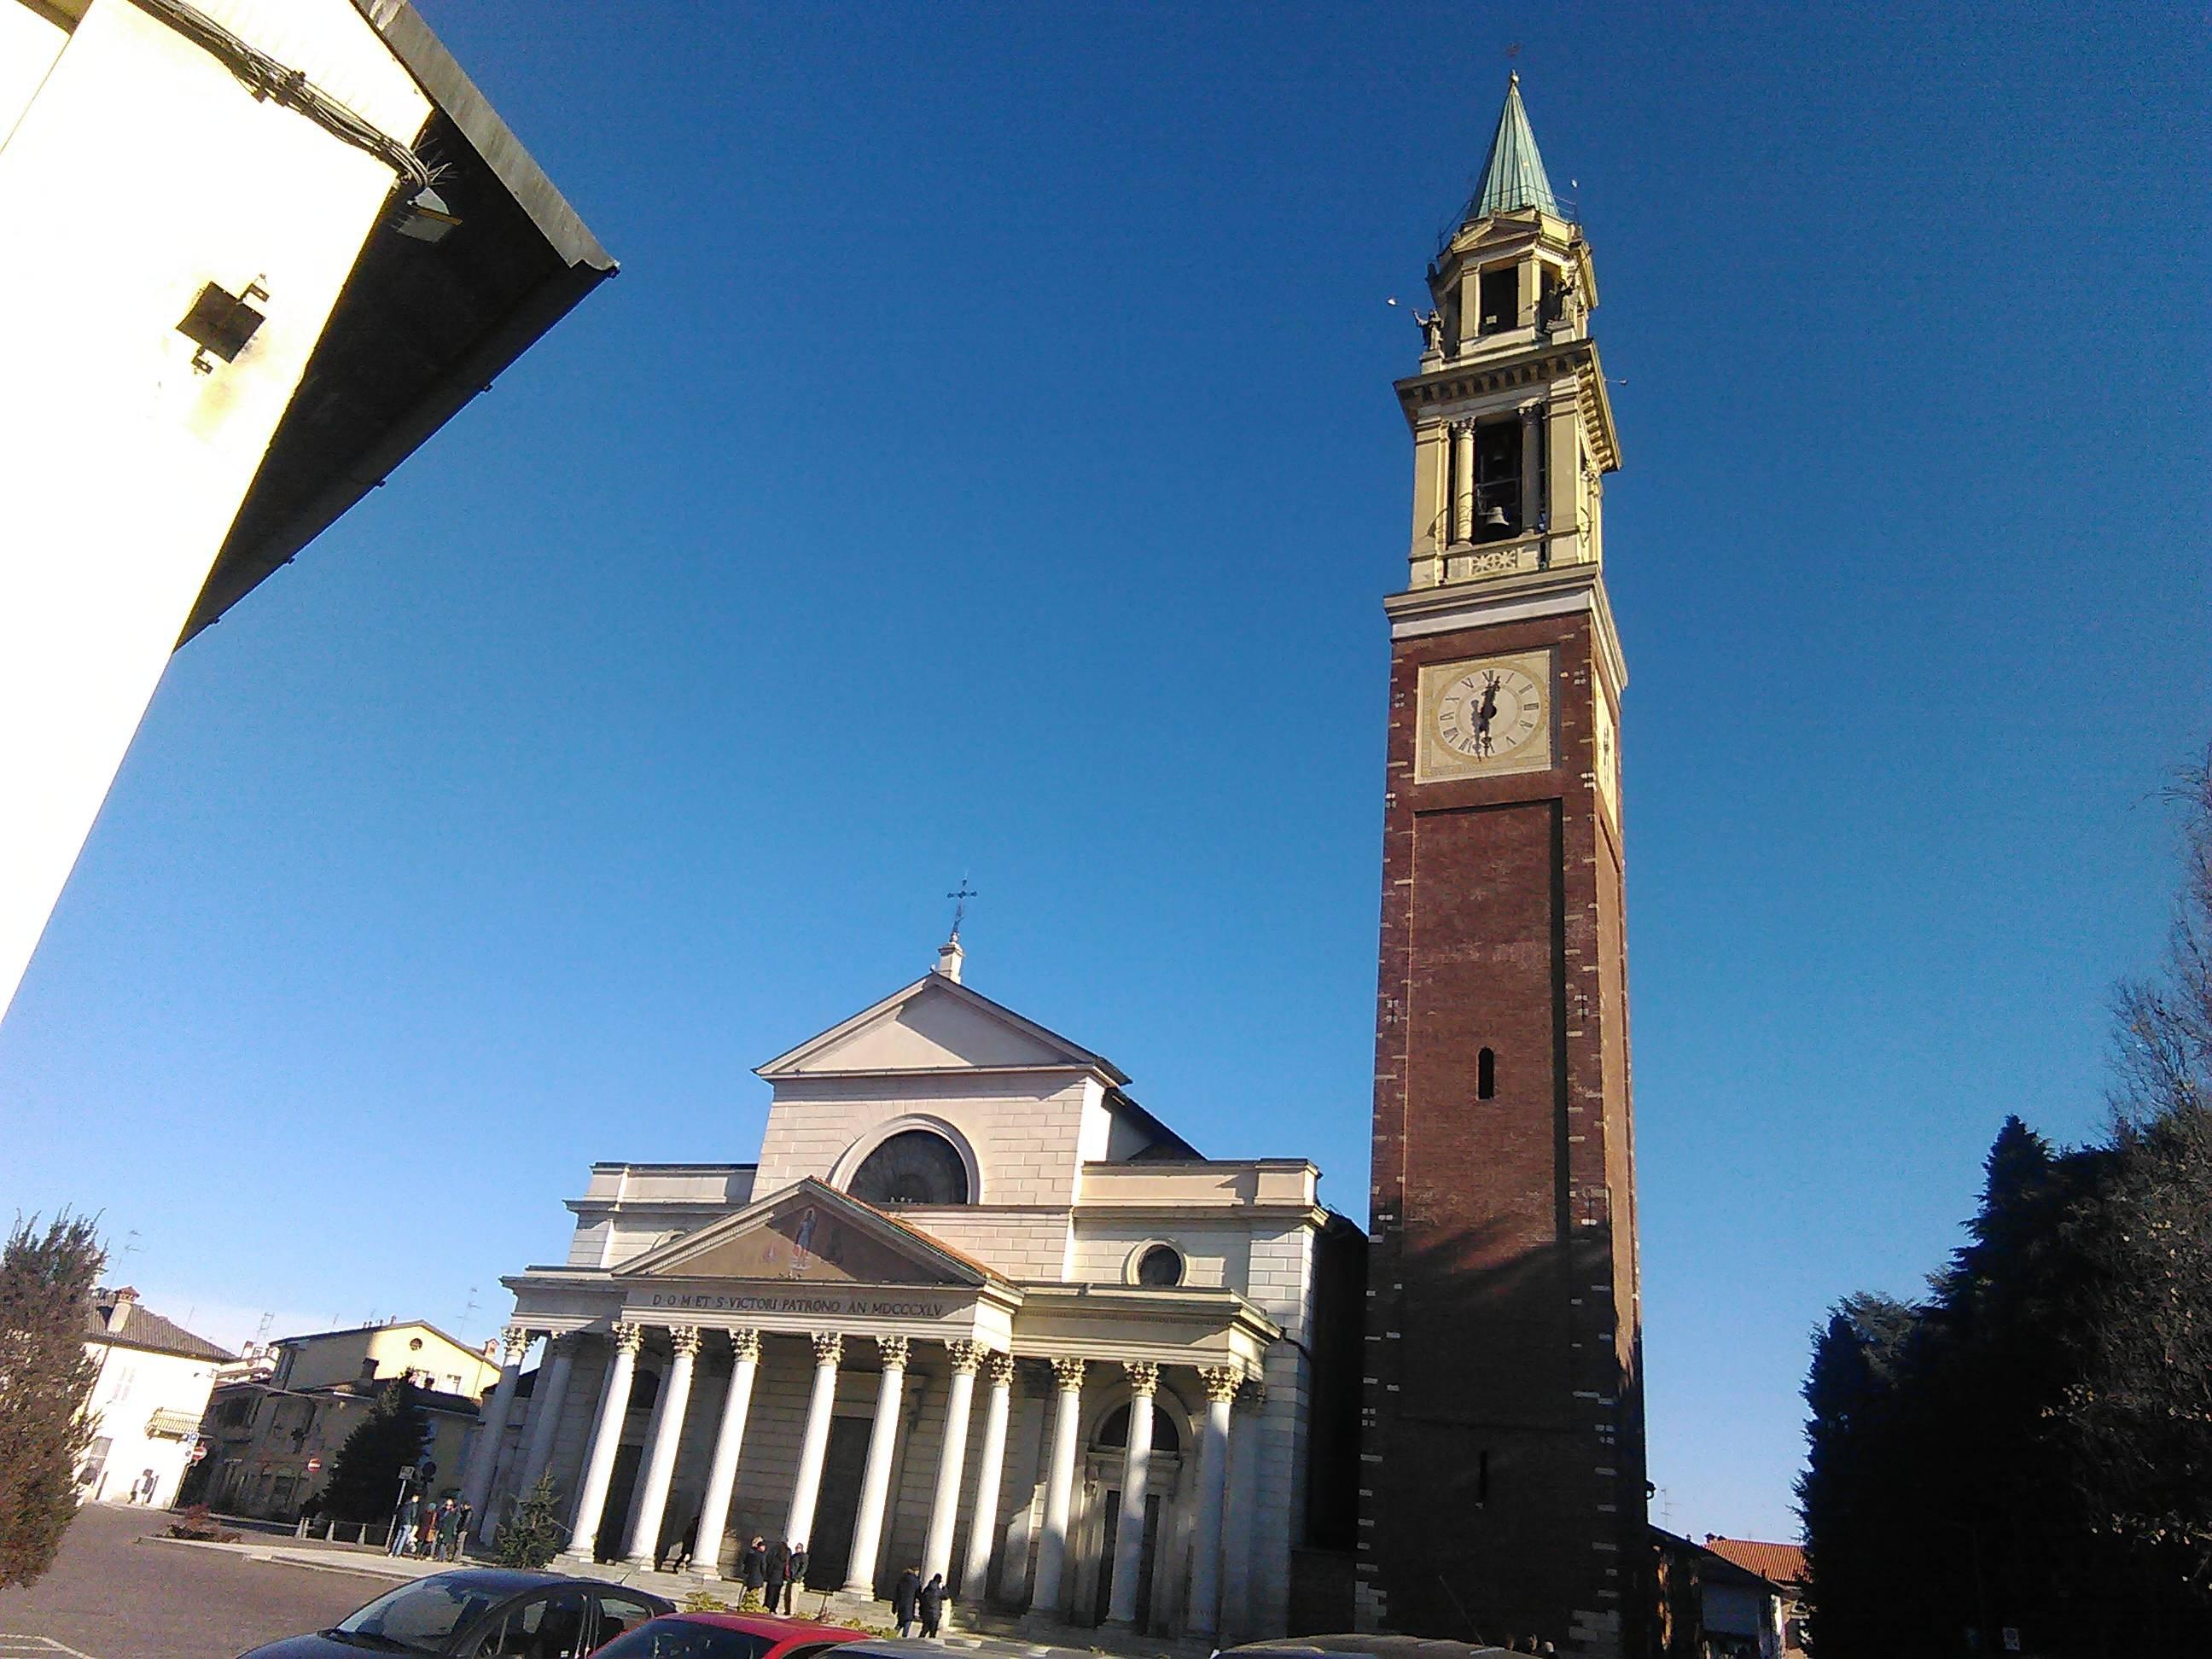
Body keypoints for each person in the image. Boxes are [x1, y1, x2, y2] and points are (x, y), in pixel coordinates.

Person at [893, 1566, 922, 1638]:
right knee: (907, 1622)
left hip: (901, 1605)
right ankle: (904, 1638)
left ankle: (892, 1634)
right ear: (915, 1571)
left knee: (900, 1622)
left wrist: (894, 1607)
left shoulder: (902, 1579)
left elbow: (896, 1594)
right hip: (910, 1605)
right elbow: (918, 1594)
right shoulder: (915, 1581)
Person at [388, 1493, 420, 1557]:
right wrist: (413, 1525)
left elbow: (397, 1512)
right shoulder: (414, 1505)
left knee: (398, 1537)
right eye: (417, 1498)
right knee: (403, 1539)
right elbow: (413, 1515)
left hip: (402, 1523)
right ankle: (398, 1553)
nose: (417, 1500)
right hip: (408, 1523)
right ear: (414, 1498)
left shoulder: (404, 1504)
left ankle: (392, 1552)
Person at [764, 1539, 789, 1611]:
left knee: (770, 1593)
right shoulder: (785, 1560)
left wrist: (768, 1574)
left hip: (773, 1578)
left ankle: (768, 1606)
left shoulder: (775, 1559)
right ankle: (774, 1608)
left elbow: (770, 1565)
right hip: (780, 1579)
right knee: (776, 1594)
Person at [741, 1535, 768, 1602]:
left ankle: (744, 1603)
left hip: (749, 1576)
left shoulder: (750, 1553)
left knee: (748, 1591)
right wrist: (765, 1576)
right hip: (758, 1578)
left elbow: (745, 1563)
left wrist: (746, 1572)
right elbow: (763, 1567)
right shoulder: (761, 1556)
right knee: (755, 1593)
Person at [918, 1572, 946, 1639]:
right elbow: (946, 1596)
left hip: (926, 1612)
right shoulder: (938, 1591)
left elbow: (922, 1598)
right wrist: (944, 1588)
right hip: (935, 1613)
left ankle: (919, 1641)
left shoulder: (927, 1589)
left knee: (924, 1629)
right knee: (933, 1632)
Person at [785, 1541, 808, 1612]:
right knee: (787, 1596)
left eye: (799, 1548)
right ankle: (787, 1610)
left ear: (802, 1548)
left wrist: (797, 1577)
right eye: (796, 1547)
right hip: (790, 1578)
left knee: (793, 1596)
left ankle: (792, 1610)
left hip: (796, 1579)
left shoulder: (803, 1556)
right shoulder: (793, 1556)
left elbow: (803, 1568)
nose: (797, 1549)